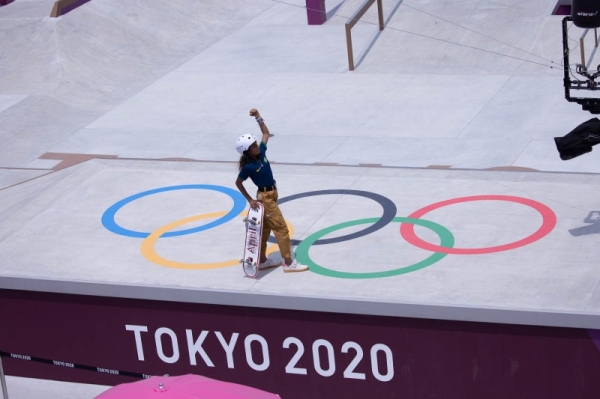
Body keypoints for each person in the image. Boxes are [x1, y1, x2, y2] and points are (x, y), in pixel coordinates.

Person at [235, 109, 309, 273]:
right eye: (253, 146)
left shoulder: (262, 153)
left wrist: (258, 117)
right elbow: (238, 183)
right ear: (247, 151)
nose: (257, 146)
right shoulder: (249, 167)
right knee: (281, 229)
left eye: (255, 143)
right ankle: (289, 263)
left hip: (273, 193)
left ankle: (261, 260)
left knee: (266, 228)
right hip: (265, 198)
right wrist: (250, 200)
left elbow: (266, 133)